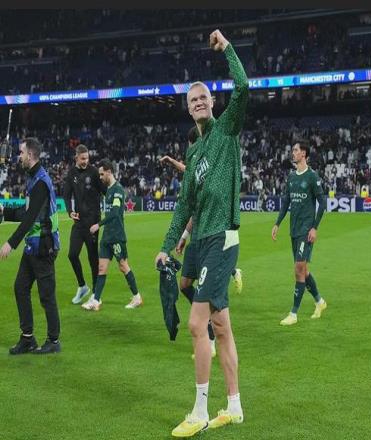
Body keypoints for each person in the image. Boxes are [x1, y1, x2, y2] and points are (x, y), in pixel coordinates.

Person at [156, 29, 247, 437]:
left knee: (197, 324)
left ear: (212, 103)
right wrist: (167, 245)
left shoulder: (226, 130)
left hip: (222, 238)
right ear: (188, 109)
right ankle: (235, 406)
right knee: (221, 327)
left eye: (203, 98)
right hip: (200, 239)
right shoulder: (193, 154)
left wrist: (226, 48)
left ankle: (199, 411)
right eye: (192, 100)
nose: (198, 103)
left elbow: (243, 87)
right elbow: (184, 205)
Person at [0, 137, 61, 354]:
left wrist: (10, 243)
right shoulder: (33, 178)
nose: (19, 156)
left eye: (21, 152)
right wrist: (4, 213)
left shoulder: (41, 182)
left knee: (46, 295)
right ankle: (28, 338)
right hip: (33, 245)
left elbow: (29, 219)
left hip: (44, 246)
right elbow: (26, 212)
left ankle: (53, 341)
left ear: (31, 155)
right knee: (20, 287)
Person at [272, 140, 327, 326]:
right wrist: (277, 223)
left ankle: (293, 313)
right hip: (294, 230)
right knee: (304, 270)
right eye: (293, 150)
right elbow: (286, 202)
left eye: (295, 150)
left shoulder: (312, 176)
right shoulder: (291, 177)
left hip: (306, 230)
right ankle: (320, 301)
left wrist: (314, 227)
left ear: (303, 154)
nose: (293, 153)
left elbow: (322, 203)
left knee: (298, 269)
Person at [81, 159, 142, 311]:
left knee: (123, 266)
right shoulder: (108, 190)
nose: (100, 177)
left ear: (109, 172)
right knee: (102, 268)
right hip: (107, 237)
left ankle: (137, 297)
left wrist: (98, 224)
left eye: (102, 174)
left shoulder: (118, 190)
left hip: (116, 236)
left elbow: (114, 213)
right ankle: (96, 301)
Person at [63, 144, 106, 304]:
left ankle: (95, 293)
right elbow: (66, 195)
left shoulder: (94, 172)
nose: (85, 161)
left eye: (87, 158)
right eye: (82, 158)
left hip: (93, 222)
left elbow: (104, 190)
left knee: (93, 258)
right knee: (72, 255)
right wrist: (70, 211)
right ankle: (82, 286)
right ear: (76, 157)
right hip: (79, 222)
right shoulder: (71, 173)